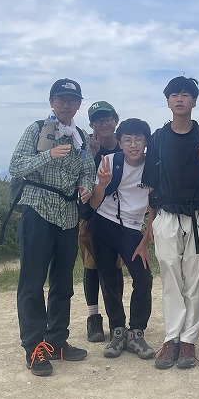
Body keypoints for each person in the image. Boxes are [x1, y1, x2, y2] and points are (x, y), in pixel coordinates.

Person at [9, 78, 95, 376]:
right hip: (38, 208)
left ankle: (56, 340)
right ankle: (34, 346)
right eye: (61, 99)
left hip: (68, 214)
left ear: (79, 105)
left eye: (72, 100)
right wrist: (48, 154)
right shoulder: (36, 129)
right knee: (32, 282)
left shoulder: (81, 137)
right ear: (51, 102)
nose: (66, 104)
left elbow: (88, 170)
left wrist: (85, 188)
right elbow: (16, 165)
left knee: (62, 282)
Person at [142, 76, 199, 370]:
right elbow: (151, 185)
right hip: (167, 215)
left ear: (194, 100)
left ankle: (188, 341)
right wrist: (150, 226)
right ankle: (171, 338)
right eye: (174, 94)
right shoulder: (158, 138)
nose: (180, 99)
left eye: (185, 94)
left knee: (197, 280)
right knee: (170, 278)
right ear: (168, 101)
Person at [88, 118, 154, 360]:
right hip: (103, 224)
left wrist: (145, 241)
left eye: (138, 139)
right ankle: (117, 330)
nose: (133, 145)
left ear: (145, 142)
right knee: (108, 280)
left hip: (132, 229)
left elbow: (154, 205)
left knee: (144, 279)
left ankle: (136, 332)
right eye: (127, 140)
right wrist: (102, 185)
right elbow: (94, 204)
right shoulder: (109, 161)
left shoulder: (152, 166)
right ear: (120, 142)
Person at [79, 101, 124, 343]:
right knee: (91, 265)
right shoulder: (85, 147)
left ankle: (117, 319)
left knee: (115, 267)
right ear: (91, 124)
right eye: (98, 120)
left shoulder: (124, 145)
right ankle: (93, 318)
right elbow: (79, 176)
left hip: (118, 216)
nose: (103, 123)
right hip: (90, 215)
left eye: (107, 118)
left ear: (115, 119)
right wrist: (93, 155)